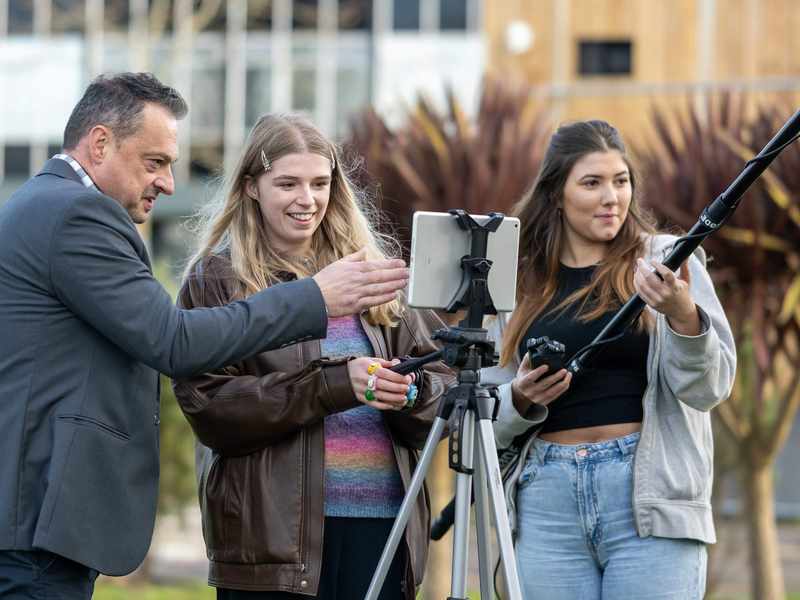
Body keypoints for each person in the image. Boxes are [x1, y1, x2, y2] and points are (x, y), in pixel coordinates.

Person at [0, 73, 410, 599]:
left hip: (33, 522)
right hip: (33, 526)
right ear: (100, 143)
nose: (168, 182)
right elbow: (173, 341)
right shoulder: (78, 214)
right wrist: (314, 299)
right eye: (155, 162)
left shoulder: (41, 205)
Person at [171, 112, 454, 600]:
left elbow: (443, 377)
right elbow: (211, 408)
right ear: (251, 187)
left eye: (320, 183)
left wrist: (407, 393)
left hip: (383, 528)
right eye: (288, 184)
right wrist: (336, 384)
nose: (308, 199)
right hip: (274, 542)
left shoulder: (369, 274)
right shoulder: (217, 279)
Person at [482, 120, 736, 600]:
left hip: (646, 495)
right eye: (592, 183)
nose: (611, 198)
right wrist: (518, 399)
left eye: (621, 181)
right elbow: (482, 420)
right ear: (556, 195)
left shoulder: (666, 261)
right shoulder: (517, 281)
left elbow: (710, 388)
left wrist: (683, 314)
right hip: (546, 498)